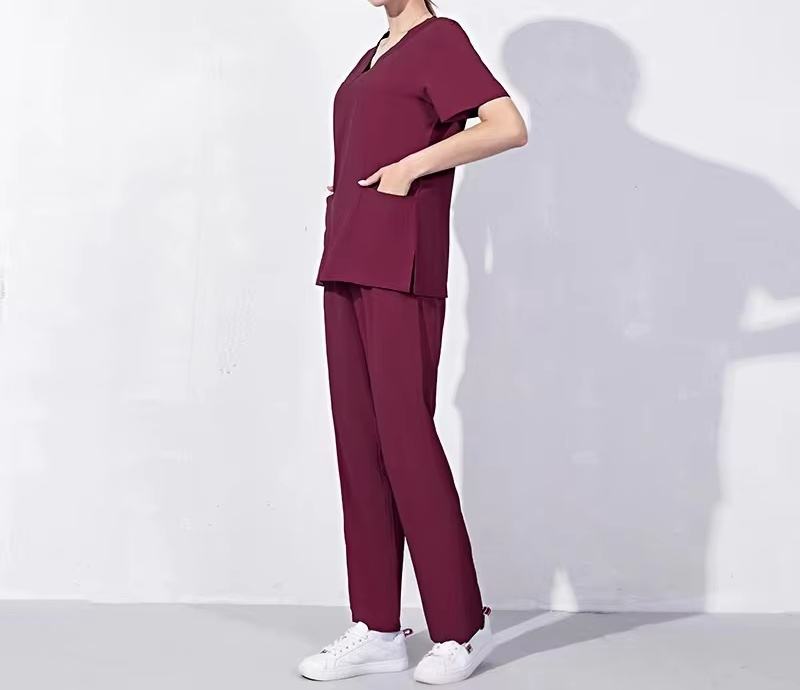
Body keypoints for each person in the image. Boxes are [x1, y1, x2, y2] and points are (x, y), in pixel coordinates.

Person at [299, 0, 527, 684]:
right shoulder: (372, 54)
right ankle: (375, 626)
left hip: (401, 261)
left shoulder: (438, 38)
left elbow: (506, 126)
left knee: (405, 440)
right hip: (347, 254)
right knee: (359, 445)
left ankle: (462, 624)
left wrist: (410, 168)